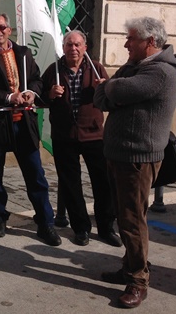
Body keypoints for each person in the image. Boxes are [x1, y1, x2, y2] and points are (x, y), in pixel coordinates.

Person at [94, 17, 176, 308]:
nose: (126, 44)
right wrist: (112, 88)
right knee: (124, 216)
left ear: (150, 41)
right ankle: (129, 266)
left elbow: (115, 91)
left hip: (137, 159)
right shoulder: (135, 67)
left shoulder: (160, 72)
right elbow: (101, 99)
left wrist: (111, 87)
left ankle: (138, 280)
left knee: (132, 221)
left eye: (131, 39)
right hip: (119, 155)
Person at [0, 13, 61, 246]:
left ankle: (45, 222)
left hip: (24, 125)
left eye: (2, 27)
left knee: (36, 175)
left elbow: (37, 79)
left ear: (9, 30)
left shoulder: (23, 53)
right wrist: (9, 97)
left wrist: (31, 92)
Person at [41, 30, 121, 247]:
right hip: (64, 136)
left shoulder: (96, 68)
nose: (73, 49)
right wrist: (50, 94)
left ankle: (106, 227)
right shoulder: (54, 70)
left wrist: (105, 87)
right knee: (70, 185)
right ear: (63, 48)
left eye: (77, 45)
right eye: (69, 45)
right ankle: (81, 228)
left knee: (103, 182)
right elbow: (40, 98)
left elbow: (111, 99)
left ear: (85, 47)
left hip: (94, 135)